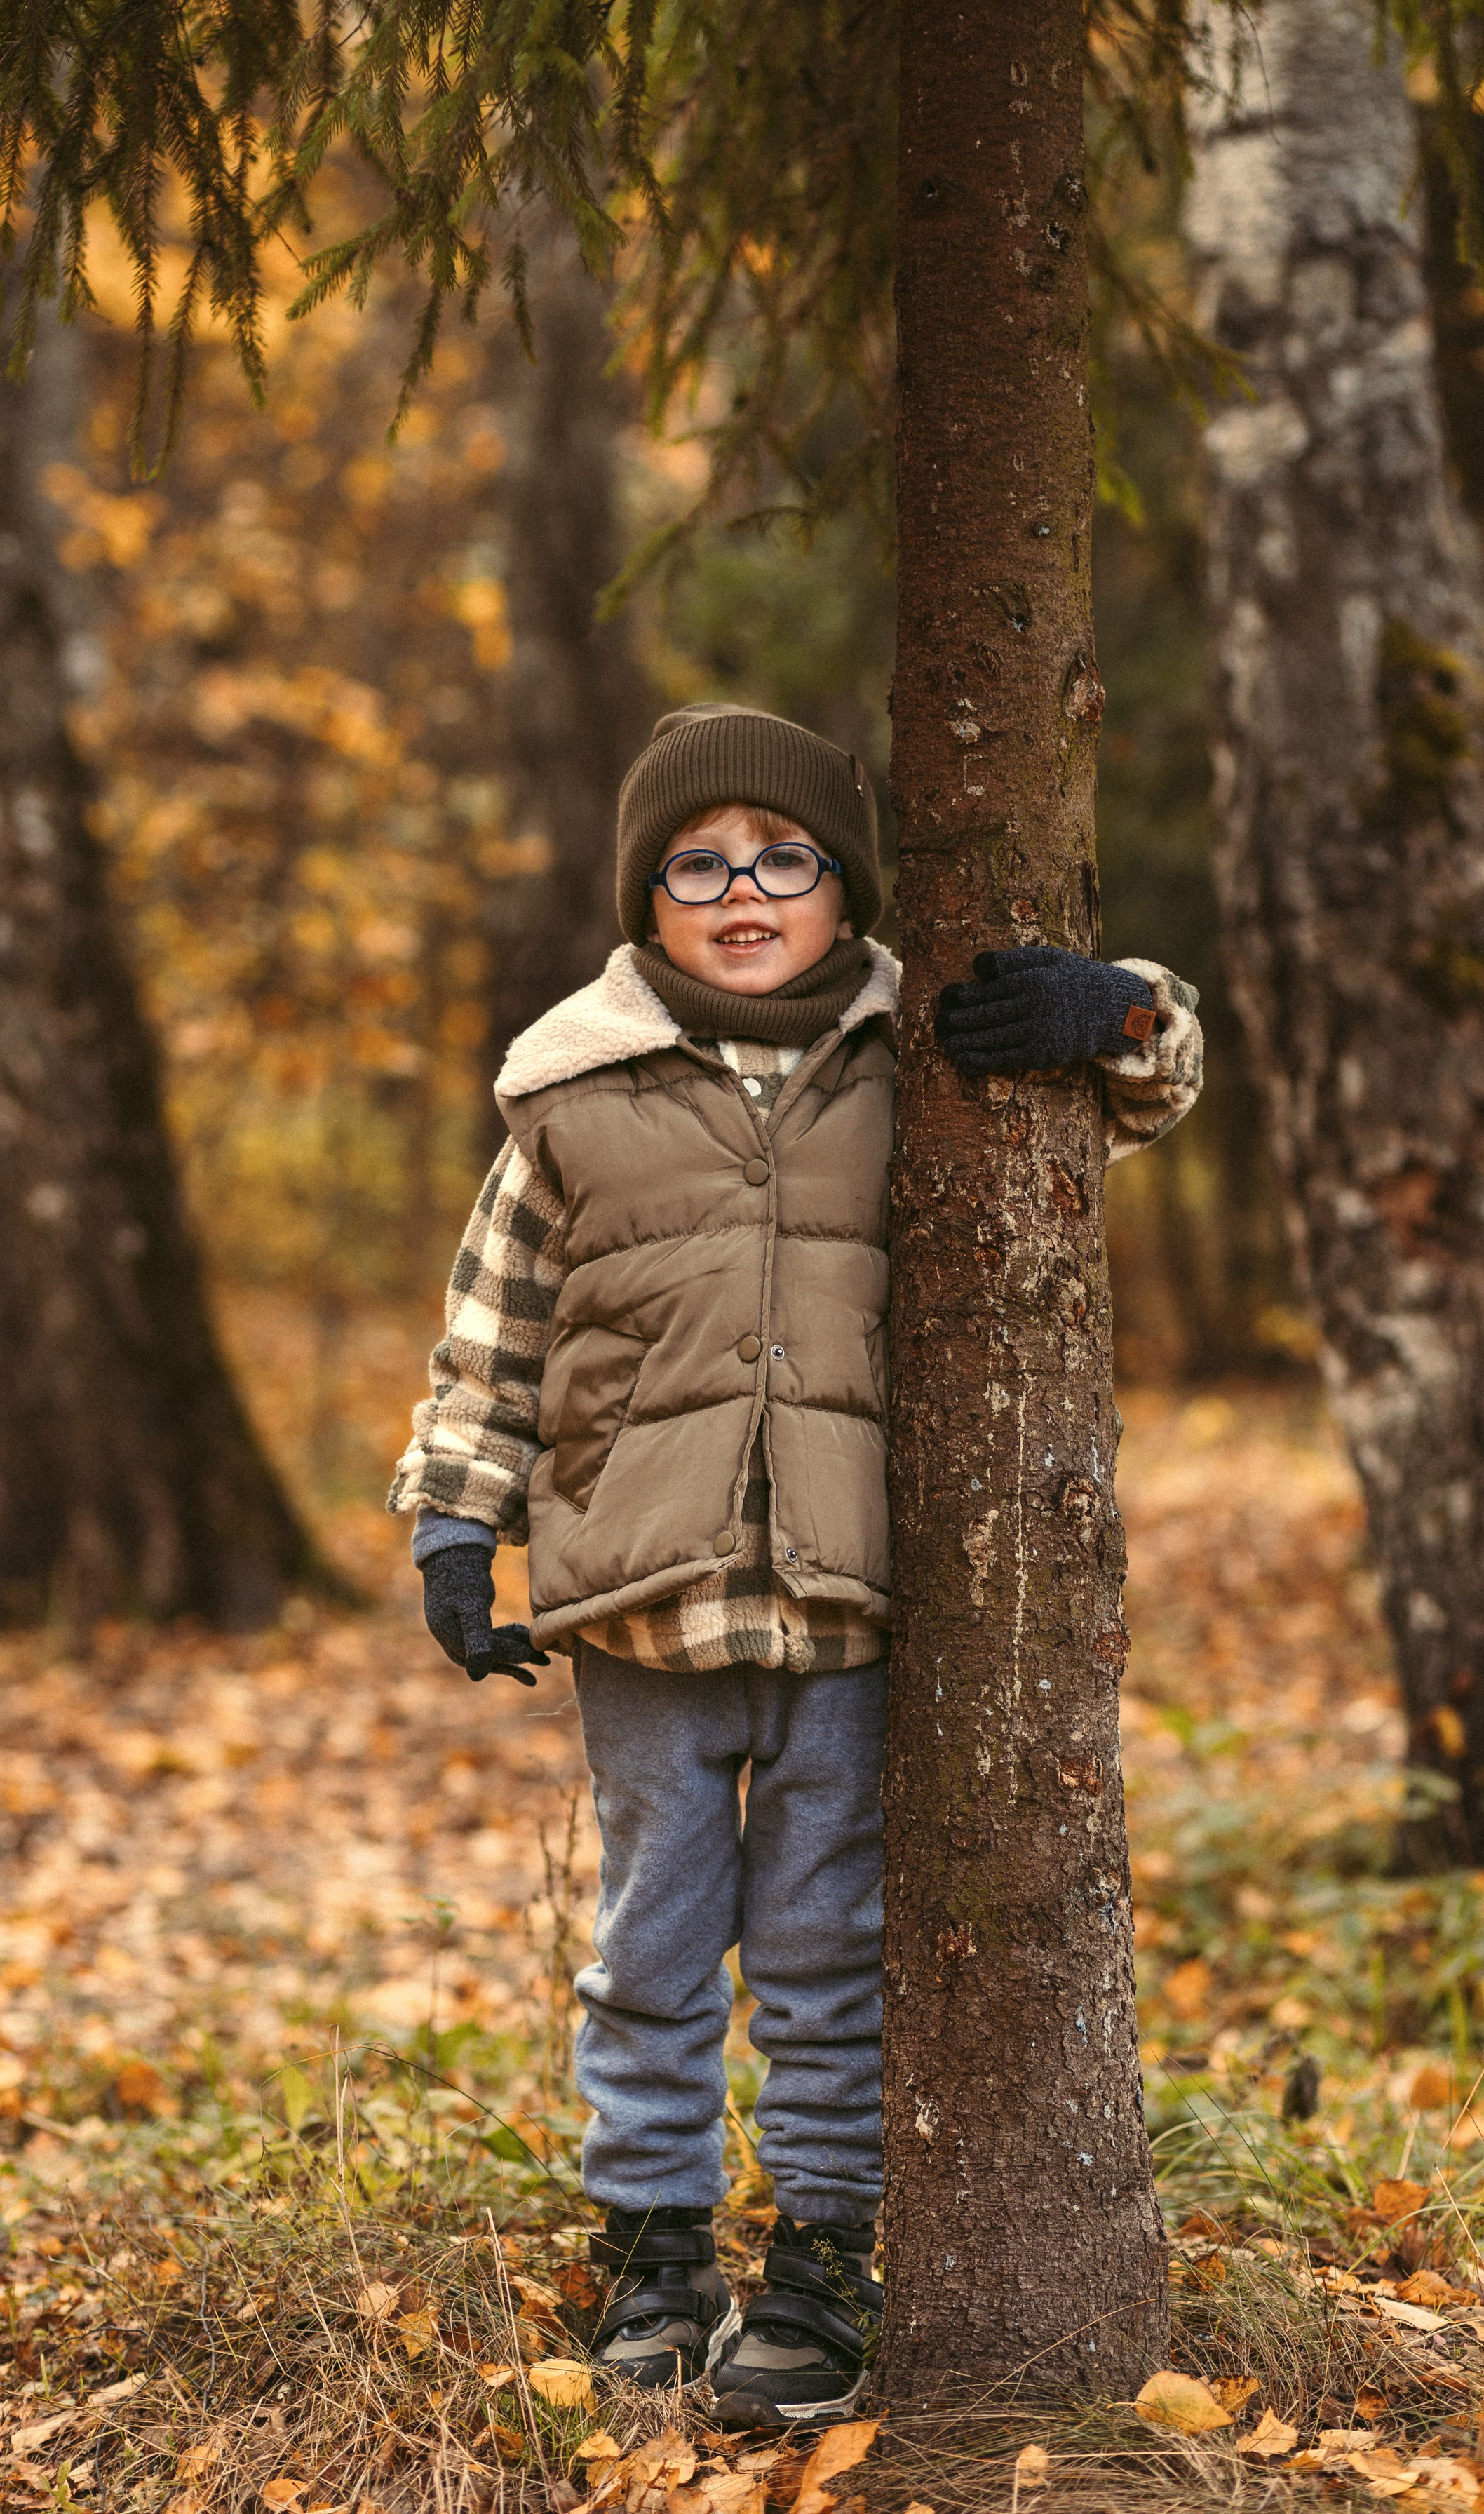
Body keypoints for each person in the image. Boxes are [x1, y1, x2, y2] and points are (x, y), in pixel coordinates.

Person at [389, 703, 1203, 2427]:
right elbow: (491, 1339)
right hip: (643, 1594)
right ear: (647, 893)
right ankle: (656, 2240)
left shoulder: (923, 1047)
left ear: (840, 884)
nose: (743, 891)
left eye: (784, 858)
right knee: (656, 1933)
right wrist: (459, 1519)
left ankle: (825, 2247)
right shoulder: (567, 1088)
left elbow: (1152, 1073)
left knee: (833, 1935)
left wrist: (1108, 1009)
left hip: (852, 1593)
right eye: (699, 862)